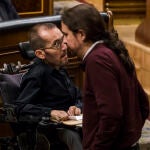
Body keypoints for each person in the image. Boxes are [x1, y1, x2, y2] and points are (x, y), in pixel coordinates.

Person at [61, 3, 149, 150]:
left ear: (81, 35)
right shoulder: (110, 50)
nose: (63, 41)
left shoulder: (97, 60)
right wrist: (131, 135)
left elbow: (112, 115)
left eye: (66, 34)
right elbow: (144, 103)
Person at [15, 23, 82, 150]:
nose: (64, 47)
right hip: (51, 130)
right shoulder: (37, 74)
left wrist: (77, 107)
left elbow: (78, 96)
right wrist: (49, 113)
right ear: (40, 54)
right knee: (72, 137)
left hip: (73, 123)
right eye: (57, 44)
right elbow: (21, 108)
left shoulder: (59, 67)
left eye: (63, 40)